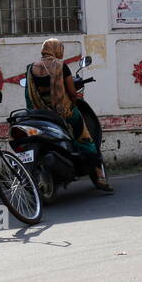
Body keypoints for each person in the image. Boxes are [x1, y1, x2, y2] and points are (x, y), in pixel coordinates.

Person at [25, 38, 112, 192]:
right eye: (60, 48)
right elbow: (72, 92)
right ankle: (99, 175)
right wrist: (75, 99)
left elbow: (29, 94)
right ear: (56, 49)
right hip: (62, 112)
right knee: (86, 138)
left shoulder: (31, 68)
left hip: (40, 114)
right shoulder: (61, 66)